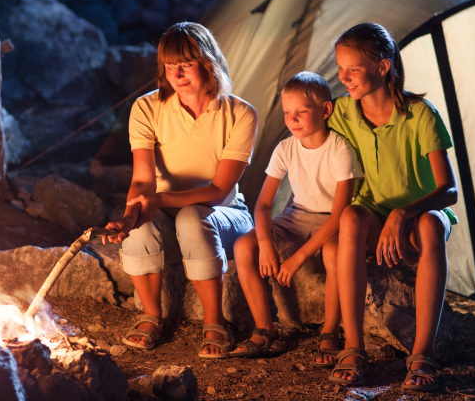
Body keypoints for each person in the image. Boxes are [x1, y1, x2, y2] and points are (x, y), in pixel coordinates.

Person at [104, 22, 257, 359]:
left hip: (224, 212)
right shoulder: (147, 108)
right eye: (170, 66)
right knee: (142, 223)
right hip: (165, 208)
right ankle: (151, 315)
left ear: (209, 62)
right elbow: (143, 181)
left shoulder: (241, 113)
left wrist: (159, 200)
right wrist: (131, 216)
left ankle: (214, 321)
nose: (177, 74)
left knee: (191, 217)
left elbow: (218, 190)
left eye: (186, 64)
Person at [327, 23, 458, 392]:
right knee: (351, 216)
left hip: (419, 218)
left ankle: (422, 354)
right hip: (373, 216)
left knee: (433, 224)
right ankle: (353, 348)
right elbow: (303, 133)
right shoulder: (341, 112)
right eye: (339, 69)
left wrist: (404, 213)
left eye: (352, 69)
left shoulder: (420, 114)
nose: (344, 78)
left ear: (383, 67)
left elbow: (449, 190)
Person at [230, 72, 362, 362]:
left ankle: (329, 331)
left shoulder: (339, 149)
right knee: (243, 247)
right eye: (288, 112)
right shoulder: (286, 148)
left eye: (302, 112)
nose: (293, 119)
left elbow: (340, 213)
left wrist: (297, 258)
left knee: (333, 253)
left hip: (333, 220)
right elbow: (263, 205)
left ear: (325, 110)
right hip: (297, 216)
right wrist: (265, 243)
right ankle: (265, 327)